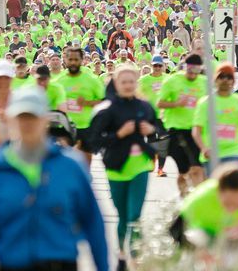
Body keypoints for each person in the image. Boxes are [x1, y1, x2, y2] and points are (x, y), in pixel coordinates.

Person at [0, 87, 109, 271]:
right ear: (9, 119)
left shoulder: (70, 167)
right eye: (21, 117)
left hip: (61, 264)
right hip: (10, 264)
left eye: (33, 116)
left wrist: (103, 266)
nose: (27, 123)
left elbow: (92, 222)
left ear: (45, 119)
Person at [89, 65, 159, 269]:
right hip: (116, 168)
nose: (128, 85)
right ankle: (121, 255)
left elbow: (161, 131)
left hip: (141, 166)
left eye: (131, 81)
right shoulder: (107, 109)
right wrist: (118, 134)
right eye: (123, 82)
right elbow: (94, 141)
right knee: (122, 216)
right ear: (116, 84)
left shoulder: (145, 106)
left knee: (134, 215)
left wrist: (152, 129)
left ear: (136, 83)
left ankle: (136, 259)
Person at [177, 165, 238, 248]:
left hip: (235, 227)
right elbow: (175, 230)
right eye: (227, 204)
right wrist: (197, 250)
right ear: (218, 192)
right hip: (208, 231)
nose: (232, 210)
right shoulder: (199, 200)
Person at [158, 53, 207, 196]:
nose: (193, 74)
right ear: (185, 67)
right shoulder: (172, 81)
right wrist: (176, 104)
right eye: (190, 70)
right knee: (183, 171)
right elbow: (160, 103)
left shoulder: (204, 82)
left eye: (197, 71)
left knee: (197, 168)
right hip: (176, 130)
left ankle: (198, 199)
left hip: (197, 131)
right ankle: (184, 196)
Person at [192, 63, 238, 171]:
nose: (225, 80)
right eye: (221, 76)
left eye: (229, 77)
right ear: (215, 80)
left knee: (234, 187)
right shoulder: (205, 103)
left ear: (233, 81)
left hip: (234, 154)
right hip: (212, 156)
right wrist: (204, 148)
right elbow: (196, 130)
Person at [56, 46, 105, 163]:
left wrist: (87, 103)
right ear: (65, 60)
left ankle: (86, 179)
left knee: (86, 162)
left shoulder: (91, 80)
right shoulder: (58, 80)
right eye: (70, 59)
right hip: (64, 127)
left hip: (86, 126)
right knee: (65, 161)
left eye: (76, 59)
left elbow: (105, 102)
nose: (73, 62)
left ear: (82, 60)